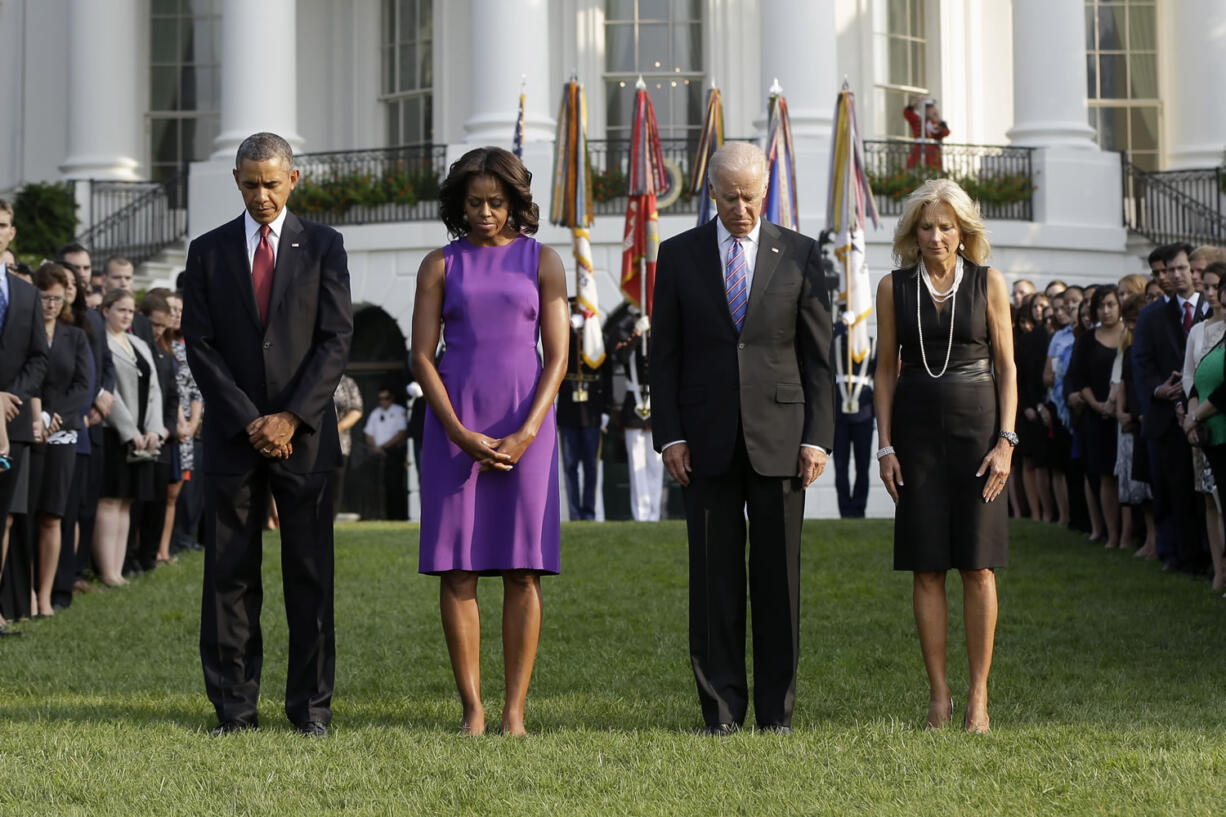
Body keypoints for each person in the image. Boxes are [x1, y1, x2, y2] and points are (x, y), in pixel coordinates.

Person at [650, 141, 834, 736]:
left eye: (751, 196)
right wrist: (670, 435)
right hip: (703, 443)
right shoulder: (677, 256)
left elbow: (818, 361)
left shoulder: (802, 255)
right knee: (713, 582)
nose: (742, 209)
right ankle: (722, 711)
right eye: (729, 197)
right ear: (711, 193)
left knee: (779, 584)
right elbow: (665, 356)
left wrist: (818, 439)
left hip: (782, 439)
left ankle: (777, 714)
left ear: (765, 188)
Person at [182, 132, 353, 738]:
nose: (262, 195)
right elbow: (199, 346)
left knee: (310, 574)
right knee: (229, 575)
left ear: (294, 180)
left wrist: (290, 417)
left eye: (272, 184)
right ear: (236, 181)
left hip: (304, 440)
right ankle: (234, 710)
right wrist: (248, 418)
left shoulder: (325, 247)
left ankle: (311, 710)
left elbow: (335, 339)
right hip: (232, 438)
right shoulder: (205, 252)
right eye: (251, 183)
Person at [410, 146, 567, 737]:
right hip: (454, 423)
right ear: (459, 204)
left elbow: (558, 357)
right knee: (458, 571)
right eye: (474, 203)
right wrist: (455, 430)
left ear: (515, 203)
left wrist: (528, 431)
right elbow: (422, 355)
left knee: (522, 569)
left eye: (496, 203)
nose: (484, 213)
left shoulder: (543, 260)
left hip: (528, 421)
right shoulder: (439, 265)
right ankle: (474, 710)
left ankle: (515, 711)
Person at [874, 178, 1016, 733]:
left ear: (964, 232)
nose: (936, 237)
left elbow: (1007, 367)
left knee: (978, 567)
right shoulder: (893, 286)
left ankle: (979, 697)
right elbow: (886, 369)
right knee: (927, 565)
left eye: (946, 227)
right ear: (913, 232)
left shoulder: (989, 283)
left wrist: (1006, 442)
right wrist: (885, 445)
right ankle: (939, 696)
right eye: (927, 227)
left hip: (980, 432)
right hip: (914, 435)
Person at [1133, 243, 1209, 573]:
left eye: (1180, 269)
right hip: (1166, 418)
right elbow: (1141, 362)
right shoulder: (1151, 315)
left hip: (1207, 414)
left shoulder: (1213, 307)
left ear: (1193, 270)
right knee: (1175, 490)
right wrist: (1158, 389)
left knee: (1207, 493)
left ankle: (1211, 557)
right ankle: (1179, 555)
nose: (1175, 276)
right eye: (1169, 270)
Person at [93, 289, 164, 587]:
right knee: (110, 501)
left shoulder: (138, 343)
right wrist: (129, 431)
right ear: (106, 310)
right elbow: (110, 393)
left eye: (130, 311)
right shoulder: (101, 343)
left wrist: (154, 429)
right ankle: (107, 571)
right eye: (120, 310)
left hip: (142, 436)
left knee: (127, 502)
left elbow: (155, 390)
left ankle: (118, 569)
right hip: (115, 433)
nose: (126, 315)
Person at [0, 200, 49, 631]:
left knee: (4, 516)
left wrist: (8, 396)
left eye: (2, 226)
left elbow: (39, 357)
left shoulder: (27, 294)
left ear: (12, 233)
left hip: (11, 422)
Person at [30, 263, 90, 616]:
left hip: (63, 433)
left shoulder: (76, 336)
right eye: (44, 298)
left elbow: (82, 386)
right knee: (23, 518)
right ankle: (21, 593)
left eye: (56, 298)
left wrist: (56, 418)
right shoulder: (23, 333)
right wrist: (36, 417)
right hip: (28, 429)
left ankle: (45, 595)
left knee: (53, 516)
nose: (50, 304)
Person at [1067, 285, 1125, 548]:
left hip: (1125, 416)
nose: (1106, 310)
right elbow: (1079, 378)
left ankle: (1128, 536)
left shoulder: (1129, 335)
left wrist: (1117, 407)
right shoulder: (1086, 340)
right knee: (1103, 476)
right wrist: (1098, 405)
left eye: (1111, 304)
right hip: (1096, 416)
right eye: (1101, 306)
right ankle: (1110, 534)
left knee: (1125, 475)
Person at [1182, 261, 1226, 590]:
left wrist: (1196, 415)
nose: (1213, 295)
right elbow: (1194, 377)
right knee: (1212, 500)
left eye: (1218, 288)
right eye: (1210, 288)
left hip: (1214, 422)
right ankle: (1219, 570)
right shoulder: (1202, 331)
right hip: (1207, 430)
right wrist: (1191, 413)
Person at [607, 302, 664, 521]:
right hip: (634, 402)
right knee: (636, 461)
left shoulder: (660, 321)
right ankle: (641, 515)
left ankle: (654, 515)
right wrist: (637, 333)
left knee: (656, 463)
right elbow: (620, 357)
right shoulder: (624, 327)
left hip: (656, 400)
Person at [556, 298, 610, 521]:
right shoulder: (564, 335)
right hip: (569, 410)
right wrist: (569, 329)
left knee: (590, 467)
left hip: (592, 412)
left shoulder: (596, 339)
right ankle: (575, 513)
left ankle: (588, 512)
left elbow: (606, 374)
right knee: (569, 466)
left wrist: (606, 409)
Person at [832, 320, 875, 518]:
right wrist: (839, 328)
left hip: (863, 414)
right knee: (840, 465)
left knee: (862, 465)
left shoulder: (871, 345)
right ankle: (844, 509)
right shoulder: (835, 344)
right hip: (839, 415)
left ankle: (859, 509)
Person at [363, 386, 408, 520]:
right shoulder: (375, 413)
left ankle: (398, 516)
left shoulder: (399, 411)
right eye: (381, 399)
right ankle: (380, 515)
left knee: (395, 485)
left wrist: (384, 447)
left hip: (393, 453)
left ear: (392, 398)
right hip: (377, 454)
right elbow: (368, 434)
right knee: (379, 486)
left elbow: (401, 433)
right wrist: (376, 447)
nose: (383, 401)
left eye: (386, 398)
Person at [331, 374, 363, 518]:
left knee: (335, 485)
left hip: (340, 444)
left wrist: (334, 429)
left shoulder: (347, 382)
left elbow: (356, 411)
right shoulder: (310, 376)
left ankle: (329, 521)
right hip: (309, 443)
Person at [903, 96, 950, 169]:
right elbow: (907, 113)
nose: (930, 110)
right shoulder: (918, 120)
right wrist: (915, 101)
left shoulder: (935, 123)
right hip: (919, 151)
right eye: (927, 108)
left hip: (933, 154)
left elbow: (945, 132)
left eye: (931, 107)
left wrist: (938, 118)